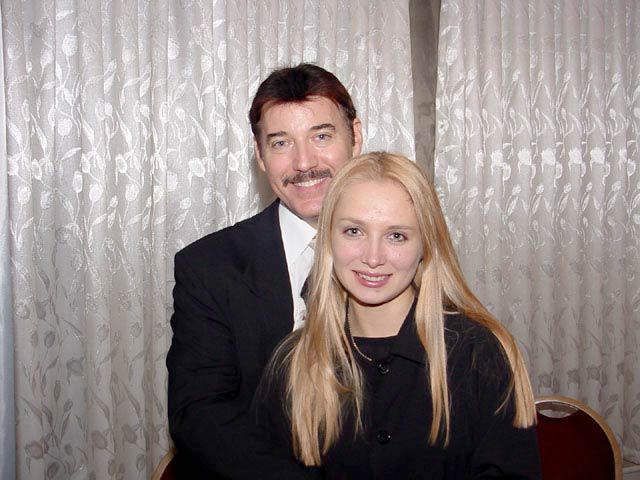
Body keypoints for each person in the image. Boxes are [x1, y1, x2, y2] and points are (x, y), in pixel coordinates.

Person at [256, 152, 540, 479]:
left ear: (426, 245)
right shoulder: (294, 364)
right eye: (354, 231)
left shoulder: (477, 355)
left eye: (396, 236)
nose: (373, 257)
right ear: (328, 239)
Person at [166, 63, 363, 478]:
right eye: (281, 143)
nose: (304, 162)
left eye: (321, 136)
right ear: (259, 156)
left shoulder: (401, 254)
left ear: (355, 137)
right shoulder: (209, 267)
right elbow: (200, 415)